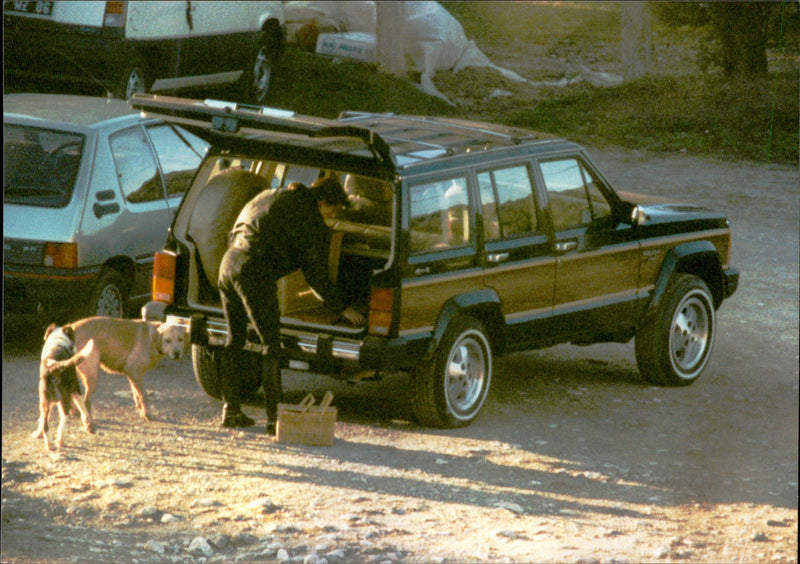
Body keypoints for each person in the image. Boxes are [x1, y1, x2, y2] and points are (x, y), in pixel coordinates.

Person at [216, 177, 365, 432]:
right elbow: (316, 277)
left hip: (228, 264)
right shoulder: (309, 218)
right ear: (322, 202)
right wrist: (342, 308)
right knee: (271, 346)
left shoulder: (274, 194)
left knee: (234, 340)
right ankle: (274, 420)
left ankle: (231, 411)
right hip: (254, 273)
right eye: (333, 210)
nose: (332, 216)